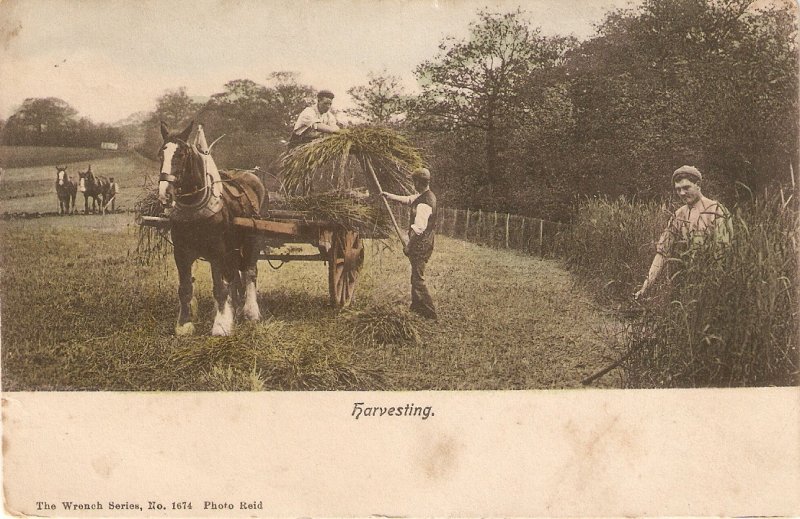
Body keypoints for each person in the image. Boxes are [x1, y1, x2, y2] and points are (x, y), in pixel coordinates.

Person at [635, 165, 732, 299]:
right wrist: (646, 287)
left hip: (713, 283)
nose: (681, 193)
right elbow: (662, 252)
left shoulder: (717, 210)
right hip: (684, 284)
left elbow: (724, 252)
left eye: (686, 188)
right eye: (678, 189)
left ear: (698, 185)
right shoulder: (679, 214)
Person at [381, 168, 438, 319]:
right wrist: (389, 196)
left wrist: (408, 246)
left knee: (418, 278)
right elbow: (408, 199)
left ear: (419, 182)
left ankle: (430, 312)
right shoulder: (424, 196)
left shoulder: (425, 203)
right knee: (415, 275)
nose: (413, 184)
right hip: (423, 242)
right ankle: (416, 307)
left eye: (414, 182)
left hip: (421, 244)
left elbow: (418, 230)